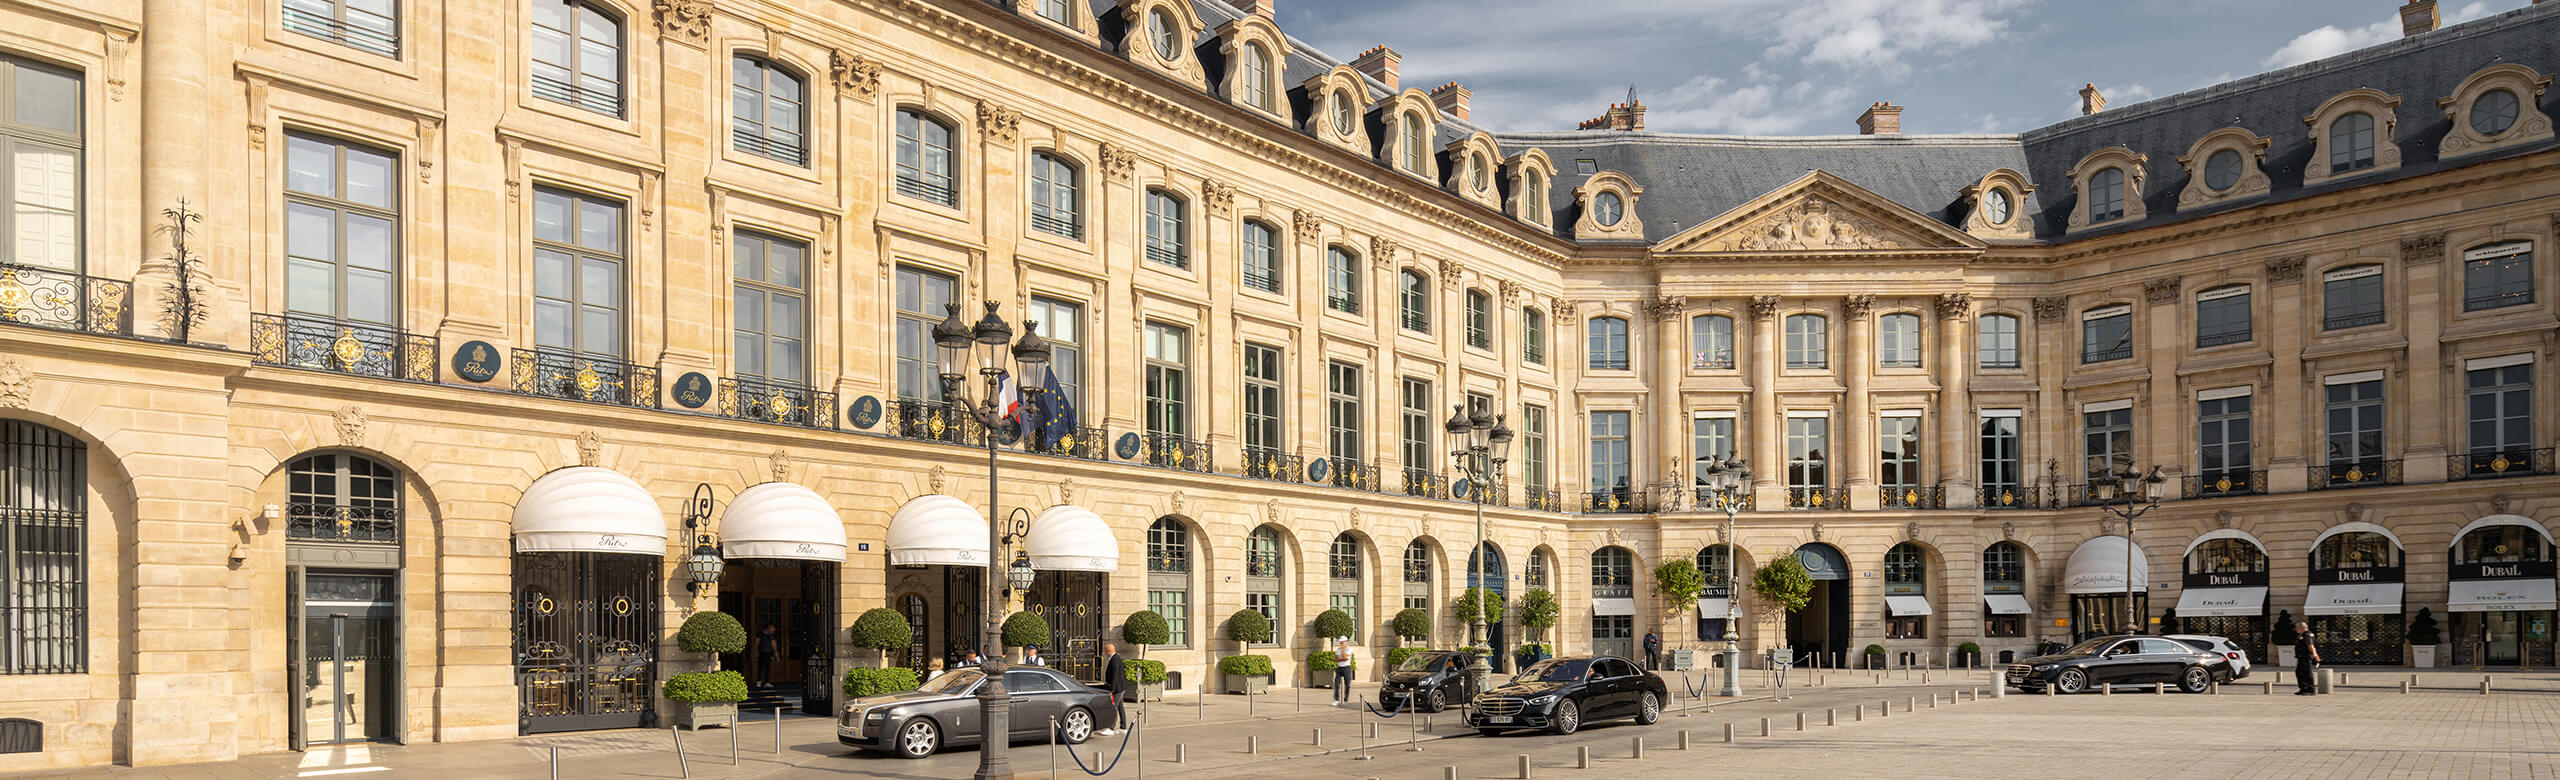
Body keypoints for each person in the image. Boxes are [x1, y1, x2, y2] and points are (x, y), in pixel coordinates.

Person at [1097, 644, 1125, 736]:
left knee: (1114, 707)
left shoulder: (1115, 659)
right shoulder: (1115, 658)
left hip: (1117, 688)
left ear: (1109, 651)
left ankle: (1111, 728)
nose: (1105, 653)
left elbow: (1115, 675)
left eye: (1105, 651)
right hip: (1119, 687)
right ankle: (1123, 727)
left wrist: (1112, 688)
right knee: (1120, 707)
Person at [2295, 620, 2320, 696]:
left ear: (2301, 627)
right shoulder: (2303, 635)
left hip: (2306, 656)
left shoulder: (2308, 635)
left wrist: (2315, 656)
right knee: (2299, 672)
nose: (2296, 629)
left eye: (2297, 628)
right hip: (2302, 656)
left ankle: (2310, 689)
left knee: (2307, 672)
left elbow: (2311, 646)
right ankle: (2303, 688)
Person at [1331, 636, 1355, 705]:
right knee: (1336, 684)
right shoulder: (1338, 649)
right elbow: (1335, 659)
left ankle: (1346, 700)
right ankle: (1336, 699)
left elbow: (1345, 658)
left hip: (1346, 668)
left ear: (1345, 642)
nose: (1341, 643)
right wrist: (1341, 658)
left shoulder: (1349, 649)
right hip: (1339, 668)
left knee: (1347, 685)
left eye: (1342, 642)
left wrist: (1343, 650)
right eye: (1340, 642)